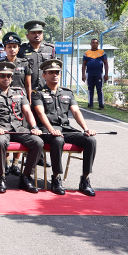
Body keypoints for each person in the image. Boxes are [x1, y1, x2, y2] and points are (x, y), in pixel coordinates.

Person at [32, 59, 98, 196]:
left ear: (60, 74)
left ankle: (85, 179)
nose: (54, 75)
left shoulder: (67, 92)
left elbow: (76, 112)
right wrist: (51, 129)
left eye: (57, 72)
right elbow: (40, 113)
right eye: (51, 72)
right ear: (44, 75)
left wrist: (86, 129)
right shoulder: (37, 93)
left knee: (90, 140)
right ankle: (56, 178)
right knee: (58, 140)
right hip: (47, 130)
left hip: (65, 129)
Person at [0, 61, 44, 194]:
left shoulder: (19, 92)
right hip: (0, 128)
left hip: (18, 128)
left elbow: (27, 111)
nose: (6, 78)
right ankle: (1, 176)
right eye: (2, 76)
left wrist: (34, 127)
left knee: (38, 142)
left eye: (8, 76)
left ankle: (26, 176)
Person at [19, 19, 56, 91]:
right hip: (27, 89)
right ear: (27, 35)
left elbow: (53, 70)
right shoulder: (21, 50)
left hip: (46, 90)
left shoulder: (50, 49)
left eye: (39, 32)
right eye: (33, 33)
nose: (37, 35)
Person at [82, 38, 109, 109]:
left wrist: (106, 74)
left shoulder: (102, 52)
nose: (95, 44)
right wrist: (83, 75)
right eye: (93, 43)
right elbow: (84, 64)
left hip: (99, 74)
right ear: (90, 44)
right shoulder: (86, 53)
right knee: (90, 89)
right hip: (89, 73)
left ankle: (101, 105)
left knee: (99, 89)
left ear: (98, 44)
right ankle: (90, 104)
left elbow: (106, 63)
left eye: (96, 43)